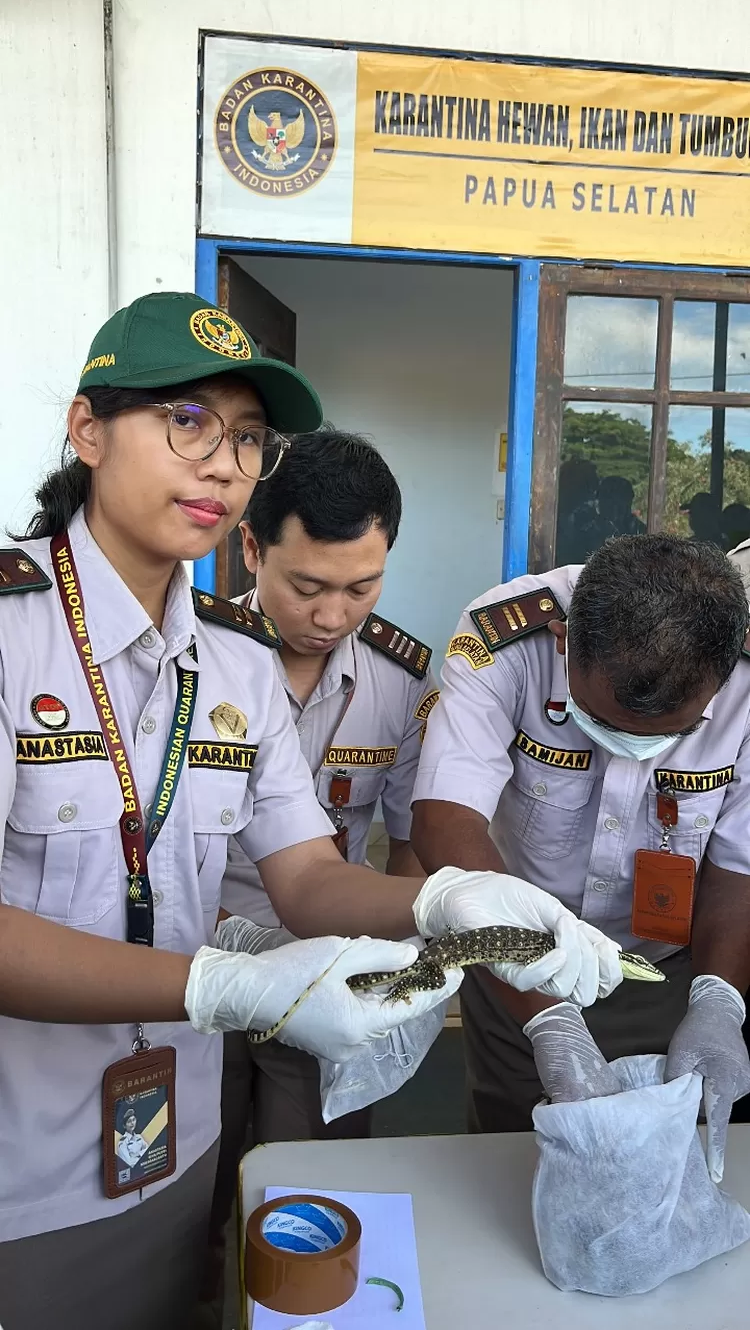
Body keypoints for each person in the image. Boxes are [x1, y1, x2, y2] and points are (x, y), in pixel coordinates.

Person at [0, 291, 618, 1330]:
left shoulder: (232, 660)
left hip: (174, 1134)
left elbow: (305, 874)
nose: (223, 464)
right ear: (88, 430)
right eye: (186, 422)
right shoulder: (14, 636)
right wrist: (224, 983)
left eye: (247, 437)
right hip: (21, 1159)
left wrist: (449, 903)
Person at [411, 535, 750, 1185]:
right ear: (566, 640)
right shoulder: (505, 637)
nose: (632, 751)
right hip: (516, 960)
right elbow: (444, 820)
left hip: (667, 971)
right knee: (510, 1165)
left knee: (660, 1175)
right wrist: (549, 1016)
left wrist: (718, 1002)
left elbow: (742, 862)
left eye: (674, 735)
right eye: (604, 722)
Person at [203, 428, 438, 1307]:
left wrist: (398, 964)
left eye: (361, 587)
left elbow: (408, 843)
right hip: (194, 957)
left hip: (323, 968)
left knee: (313, 1177)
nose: (334, 615)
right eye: (307, 586)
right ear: (251, 546)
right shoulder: (193, 656)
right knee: (189, 1172)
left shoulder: (403, 678)